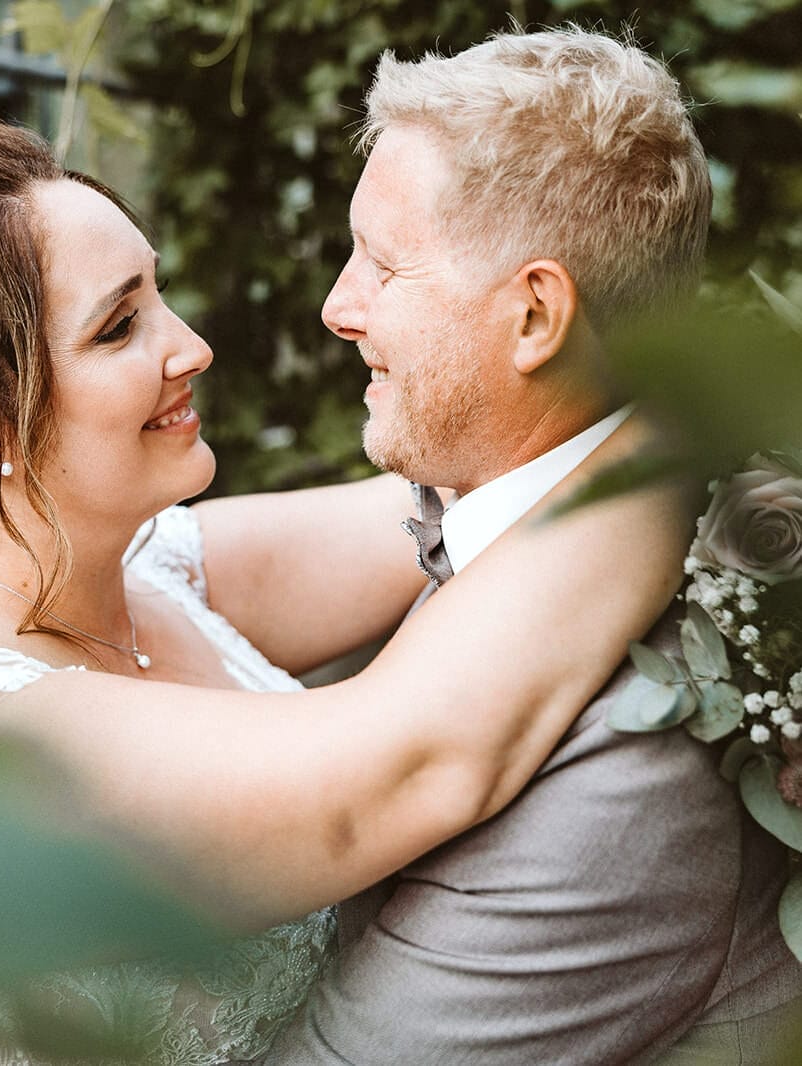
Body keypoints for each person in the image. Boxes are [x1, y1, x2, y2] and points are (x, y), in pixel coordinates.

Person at [0, 113, 688, 1066]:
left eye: (154, 293)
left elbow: (483, 489)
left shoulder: (143, 567)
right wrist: (691, 440)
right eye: (118, 329)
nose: (189, 347)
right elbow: (402, 767)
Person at [257, 26, 802, 1066]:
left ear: (534, 317)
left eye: (381, 263)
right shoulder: (519, 509)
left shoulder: (627, 765)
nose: (338, 307)